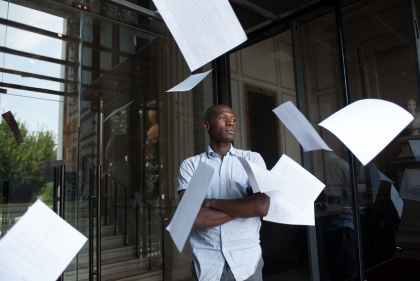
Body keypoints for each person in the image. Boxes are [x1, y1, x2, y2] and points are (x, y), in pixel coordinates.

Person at [177, 104, 269, 281]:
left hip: (247, 263)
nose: (230, 123)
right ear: (206, 125)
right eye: (223, 118)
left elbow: (261, 207)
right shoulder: (193, 166)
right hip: (207, 264)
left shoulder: (251, 160)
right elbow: (193, 218)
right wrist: (245, 206)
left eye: (233, 119)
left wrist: (210, 203)